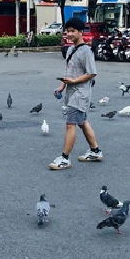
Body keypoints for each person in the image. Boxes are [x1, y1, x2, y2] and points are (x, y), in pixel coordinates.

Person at [50, 17, 101, 170]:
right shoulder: (71, 50)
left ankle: (65, 159)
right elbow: (69, 73)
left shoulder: (85, 51)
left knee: (70, 125)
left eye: (73, 31)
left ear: (80, 32)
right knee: (82, 122)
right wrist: (61, 87)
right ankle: (95, 151)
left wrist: (74, 81)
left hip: (80, 94)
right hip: (72, 92)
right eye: (68, 31)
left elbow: (92, 73)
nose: (69, 34)